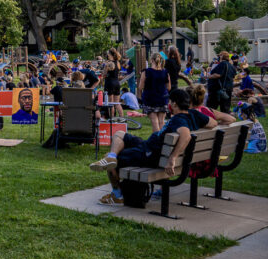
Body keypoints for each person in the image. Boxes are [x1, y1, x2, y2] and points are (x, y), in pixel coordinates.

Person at [89, 88, 217, 205]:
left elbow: (186, 135)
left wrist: (172, 158)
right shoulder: (194, 114)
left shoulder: (179, 120)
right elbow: (213, 123)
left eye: (170, 101)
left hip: (150, 154)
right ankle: (112, 156)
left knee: (111, 161)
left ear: (174, 104)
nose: (168, 104)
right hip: (151, 146)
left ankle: (117, 195)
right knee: (120, 134)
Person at [139, 52, 171, 133]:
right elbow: (169, 87)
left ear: (151, 60)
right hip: (163, 98)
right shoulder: (165, 72)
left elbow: (140, 87)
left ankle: (156, 141)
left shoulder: (146, 71)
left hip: (150, 99)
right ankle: (162, 140)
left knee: (154, 121)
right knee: (161, 121)